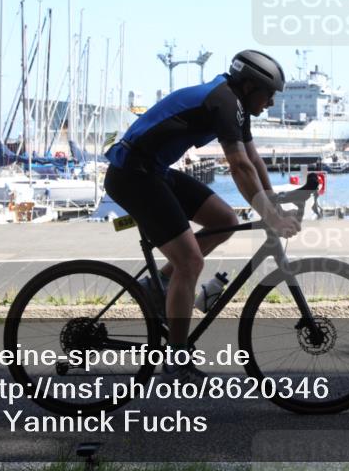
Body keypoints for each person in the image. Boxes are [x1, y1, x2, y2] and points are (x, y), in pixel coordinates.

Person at [103, 50, 301, 383]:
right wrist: (270, 215)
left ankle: (158, 285)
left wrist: (275, 207)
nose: (271, 102)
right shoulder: (223, 101)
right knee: (191, 263)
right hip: (132, 176)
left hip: (154, 170)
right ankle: (177, 358)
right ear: (250, 85)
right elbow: (238, 167)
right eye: (269, 93)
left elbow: (253, 161)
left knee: (225, 220)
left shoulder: (236, 105)